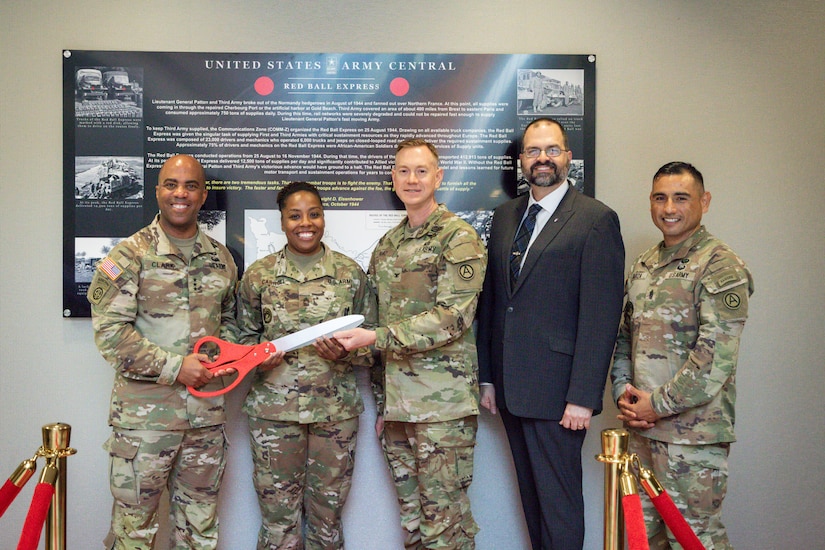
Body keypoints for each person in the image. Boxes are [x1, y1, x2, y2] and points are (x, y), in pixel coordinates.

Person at [476, 118, 625, 550]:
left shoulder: (596, 220)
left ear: (567, 157)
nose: (542, 158)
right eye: (533, 151)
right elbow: (494, 301)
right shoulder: (505, 217)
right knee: (533, 501)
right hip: (510, 388)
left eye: (552, 150)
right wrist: (488, 377)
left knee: (559, 506)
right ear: (521, 160)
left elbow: (602, 316)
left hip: (560, 395)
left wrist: (583, 396)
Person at [335, 138, 487, 549]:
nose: (412, 179)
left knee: (445, 524)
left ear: (438, 177)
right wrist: (385, 401)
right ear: (393, 178)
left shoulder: (458, 238)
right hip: (399, 409)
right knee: (414, 523)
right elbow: (379, 321)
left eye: (421, 171)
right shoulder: (389, 245)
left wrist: (375, 337)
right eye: (403, 171)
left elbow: (453, 318)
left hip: (442, 408)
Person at [87, 154, 239, 549]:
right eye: (171, 184)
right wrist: (176, 367)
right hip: (145, 424)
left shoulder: (221, 259)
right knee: (134, 534)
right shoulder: (128, 256)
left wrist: (239, 356)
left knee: (199, 533)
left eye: (190, 186)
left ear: (203, 195)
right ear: (157, 191)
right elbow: (110, 335)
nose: (180, 194)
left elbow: (231, 328)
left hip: (204, 422)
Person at [611, 161, 753, 549]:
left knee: (693, 540)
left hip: (692, 437)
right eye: (660, 197)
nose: (668, 207)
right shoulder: (645, 265)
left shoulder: (721, 265)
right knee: (644, 541)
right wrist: (623, 392)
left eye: (681, 197)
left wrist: (656, 404)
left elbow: (715, 358)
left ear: (704, 202)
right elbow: (624, 336)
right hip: (642, 432)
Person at [236, 181, 375, 549]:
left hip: (334, 413)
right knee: (278, 521)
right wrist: (260, 357)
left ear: (323, 217)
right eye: (295, 215)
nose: (305, 222)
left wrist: (346, 354)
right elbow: (241, 341)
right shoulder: (259, 275)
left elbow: (374, 341)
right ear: (281, 221)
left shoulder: (350, 274)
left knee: (326, 519)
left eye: (314, 213)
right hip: (273, 414)